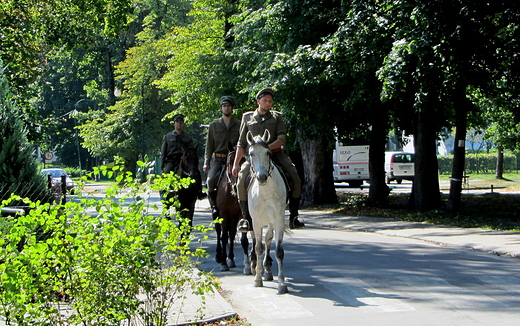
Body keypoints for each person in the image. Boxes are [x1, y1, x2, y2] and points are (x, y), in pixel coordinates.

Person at [232, 87, 305, 230]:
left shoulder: (277, 117)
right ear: (258, 101)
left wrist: (266, 149)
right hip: (254, 158)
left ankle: (294, 216)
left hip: (275, 154)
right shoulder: (247, 117)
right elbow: (241, 143)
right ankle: (245, 218)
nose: (268, 103)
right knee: (240, 181)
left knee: (295, 177)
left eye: (270, 101)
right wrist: (235, 164)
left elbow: (282, 138)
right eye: (265, 100)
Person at [203, 96, 240, 218]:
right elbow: (209, 146)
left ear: (232, 108)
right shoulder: (213, 125)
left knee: (244, 180)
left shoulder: (239, 124)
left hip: (234, 159)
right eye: (224, 106)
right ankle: (214, 206)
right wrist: (206, 163)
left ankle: (243, 208)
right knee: (211, 180)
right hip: (218, 159)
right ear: (221, 108)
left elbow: (242, 143)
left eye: (228, 106)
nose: (226, 108)